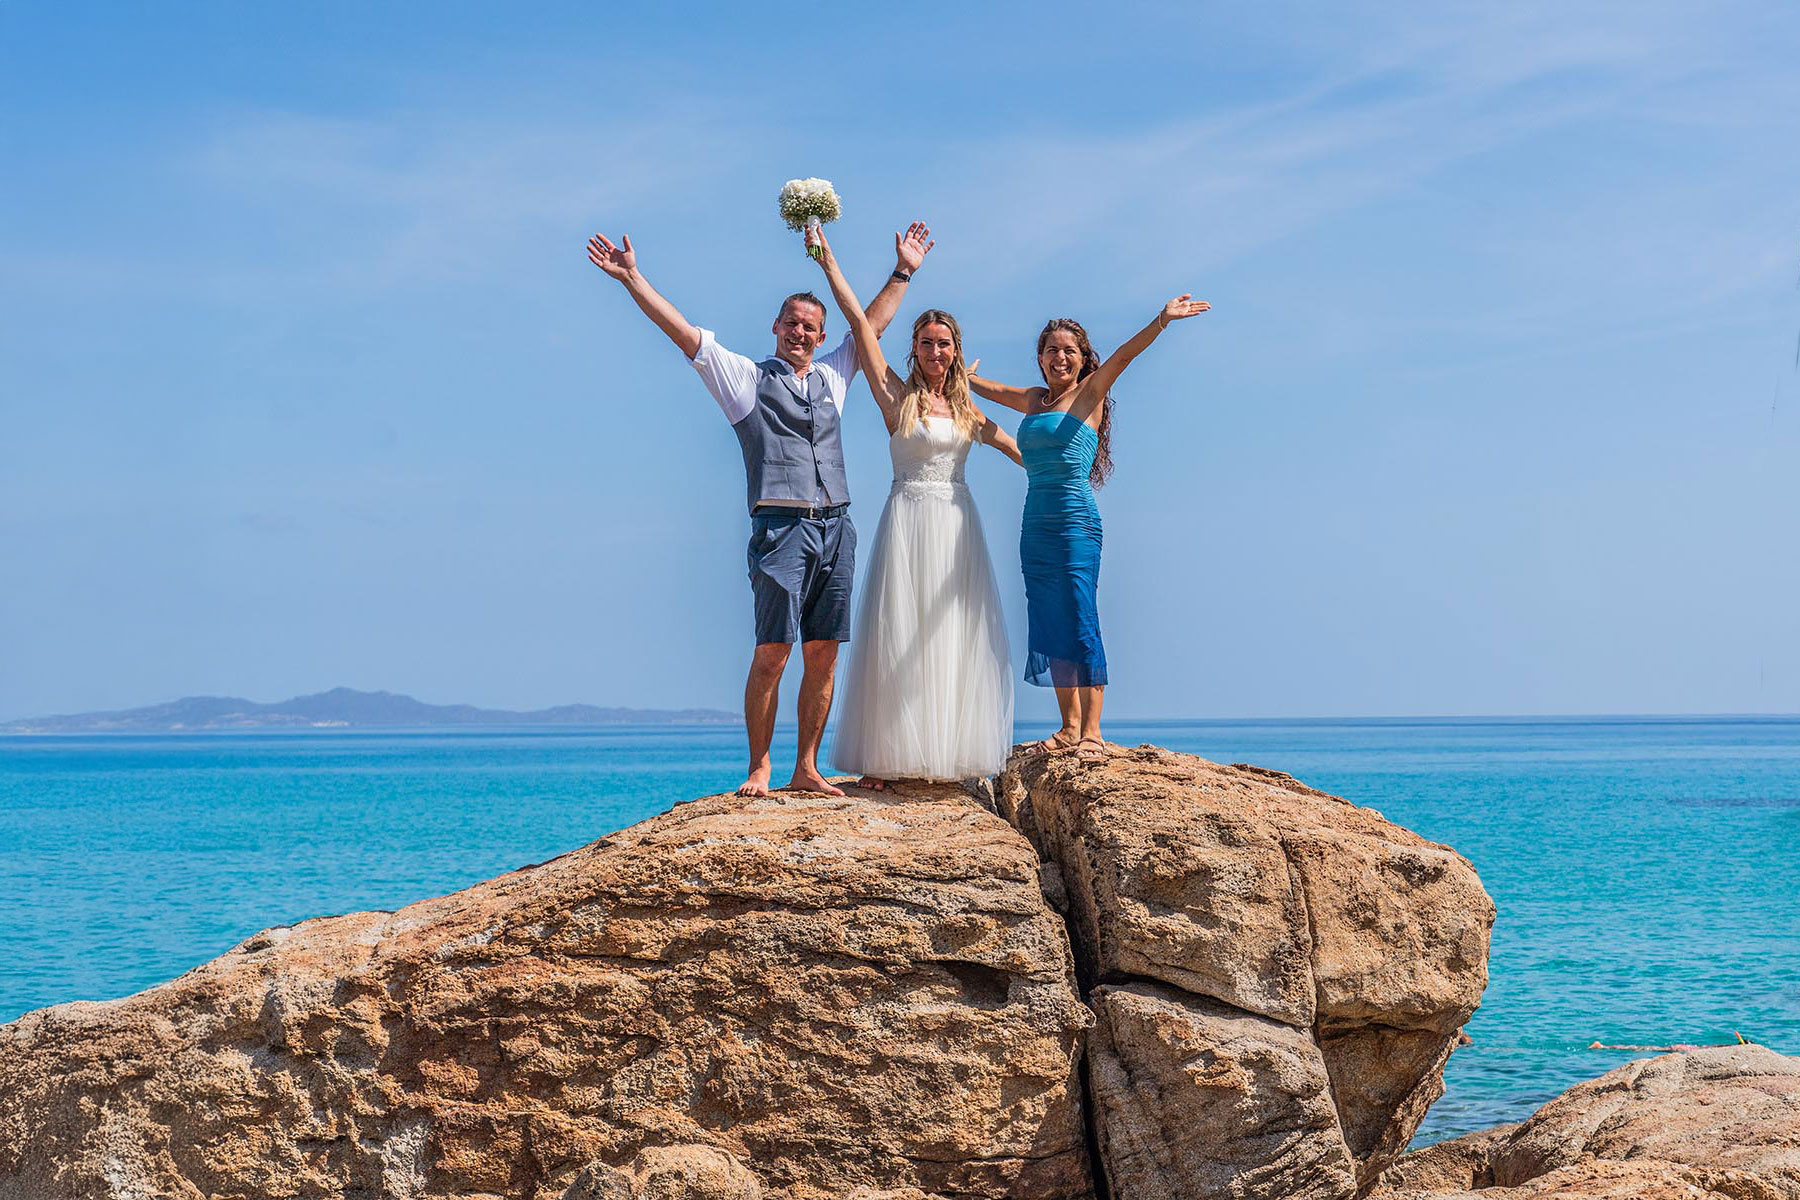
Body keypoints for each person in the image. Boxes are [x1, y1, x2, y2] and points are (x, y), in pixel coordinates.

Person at [586, 222, 936, 796]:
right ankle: (759, 766)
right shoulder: (745, 379)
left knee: (823, 654)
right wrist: (632, 280)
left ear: (821, 336)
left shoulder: (832, 375)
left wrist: (903, 271)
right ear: (776, 327)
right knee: (773, 653)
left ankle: (807, 767)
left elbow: (871, 325)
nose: (800, 333)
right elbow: (685, 335)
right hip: (780, 531)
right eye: (792, 323)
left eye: (810, 327)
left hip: (837, 529)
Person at [806, 226, 1020, 786]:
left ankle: (945, 753)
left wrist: (1066, 473)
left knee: (950, 632)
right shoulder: (896, 397)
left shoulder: (967, 410)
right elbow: (857, 323)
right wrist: (831, 260)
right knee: (899, 630)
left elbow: (1019, 451)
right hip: (907, 522)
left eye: (943, 343)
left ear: (956, 350)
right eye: (925, 342)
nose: (934, 351)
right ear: (915, 348)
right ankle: (888, 755)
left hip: (956, 526)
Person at [969, 296, 1209, 760]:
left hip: (1077, 523)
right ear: (1040, 358)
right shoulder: (1033, 400)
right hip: (1034, 525)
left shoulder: (1090, 393)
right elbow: (987, 389)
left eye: (1069, 351)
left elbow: (1123, 355)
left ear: (1083, 359)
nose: (1060, 358)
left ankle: (1093, 730)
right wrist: (962, 372)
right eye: (1052, 350)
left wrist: (1161, 321)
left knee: (1080, 618)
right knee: (1048, 620)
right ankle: (1067, 726)